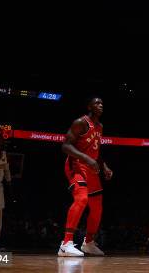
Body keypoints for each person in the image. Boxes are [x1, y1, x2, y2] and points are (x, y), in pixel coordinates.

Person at [58, 97, 113, 257]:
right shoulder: (81, 122)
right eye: (97, 103)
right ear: (89, 106)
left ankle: (88, 243)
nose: (100, 105)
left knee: (97, 206)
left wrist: (104, 166)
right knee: (81, 199)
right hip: (76, 165)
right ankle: (65, 244)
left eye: (102, 103)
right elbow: (66, 146)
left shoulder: (100, 126)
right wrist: (87, 159)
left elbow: (96, 150)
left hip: (91, 168)